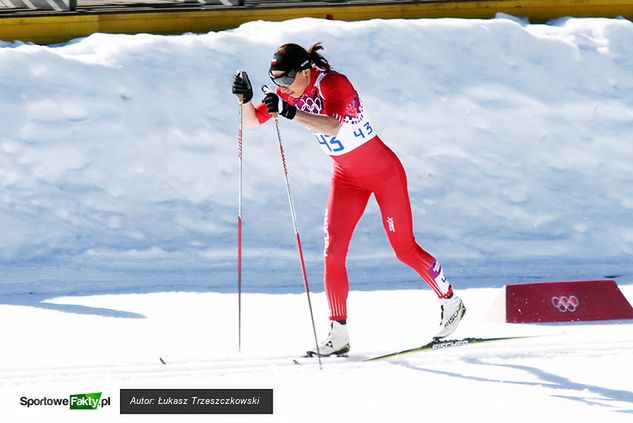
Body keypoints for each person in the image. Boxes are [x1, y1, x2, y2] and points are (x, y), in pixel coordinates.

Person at [232, 42, 466, 357]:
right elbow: (249, 122)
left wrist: (289, 112)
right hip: (346, 178)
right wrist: (244, 100)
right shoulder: (291, 92)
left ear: (305, 71)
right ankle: (338, 332)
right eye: (275, 81)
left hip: (384, 174)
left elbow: (334, 124)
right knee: (333, 253)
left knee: (404, 249)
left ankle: (450, 300)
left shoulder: (333, 82)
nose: (282, 87)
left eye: (285, 80)